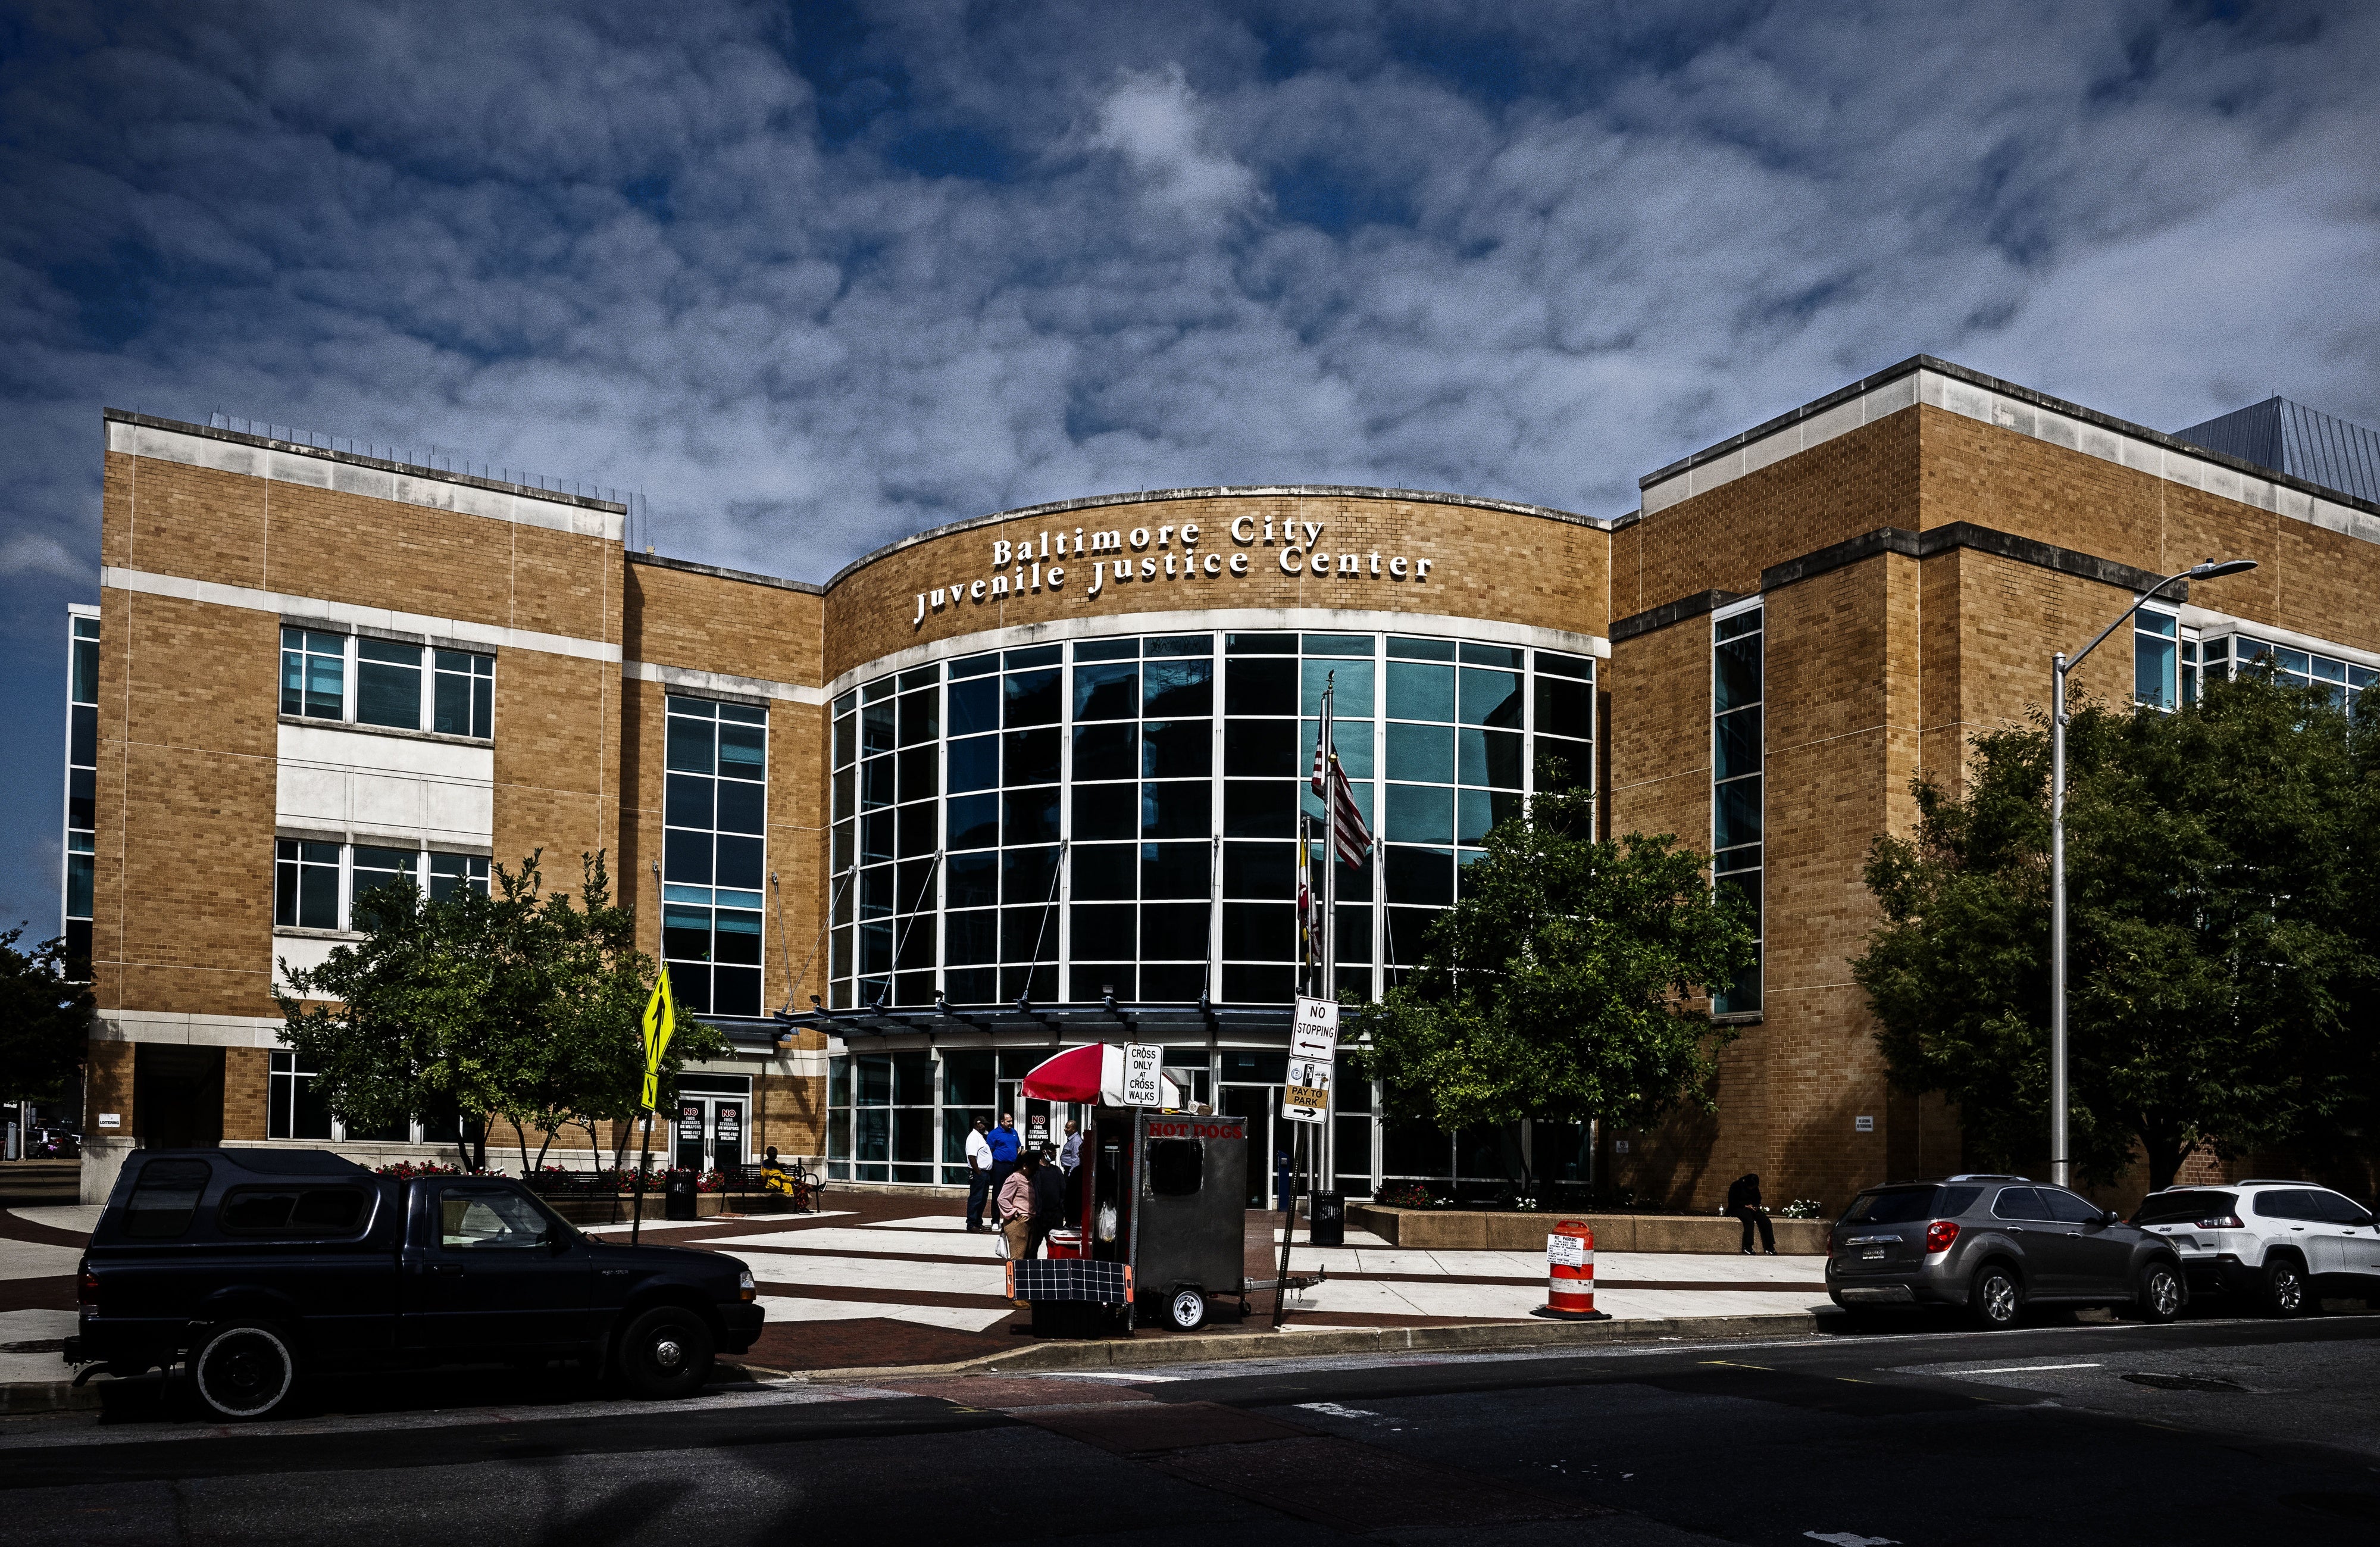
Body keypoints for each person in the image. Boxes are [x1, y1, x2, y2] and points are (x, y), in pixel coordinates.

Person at [997, 1149, 1039, 1264]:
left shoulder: (1028, 1179)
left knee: (1028, 1259)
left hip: (1030, 1222)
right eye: (1032, 1168)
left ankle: (1024, 1281)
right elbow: (1002, 1199)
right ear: (1025, 1166)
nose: (1034, 1171)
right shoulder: (1014, 1178)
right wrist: (1015, 1214)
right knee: (1018, 1259)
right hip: (1018, 1223)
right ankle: (1015, 1281)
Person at [1029, 1146, 1067, 1258]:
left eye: (1055, 1151)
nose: (1054, 1153)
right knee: (1033, 1246)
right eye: (1052, 1151)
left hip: (1054, 1216)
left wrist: (1061, 1210)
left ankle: (1052, 1269)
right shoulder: (1035, 1171)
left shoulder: (1057, 1170)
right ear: (1044, 1152)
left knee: (1054, 1246)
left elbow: (1063, 1191)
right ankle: (1032, 1270)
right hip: (1039, 1216)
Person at [1727, 1173, 1776, 1255]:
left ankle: (1769, 1246)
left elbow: (1758, 1198)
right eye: (1751, 1187)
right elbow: (1732, 1202)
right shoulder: (1736, 1186)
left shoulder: (1755, 1188)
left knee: (1766, 1221)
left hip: (1751, 1208)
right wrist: (1746, 1206)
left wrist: (1757, 1205)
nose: (1752, 1188)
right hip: (1738, 1208)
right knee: (1749, 1221)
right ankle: (1748, 1246)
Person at [987, 1111, 1022, 1208]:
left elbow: (1018, 1148)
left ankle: (1009, 1218)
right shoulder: (994, 1134)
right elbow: (989, 1150)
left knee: (1013, 1191)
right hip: (999, 1166)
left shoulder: (1014, 1132)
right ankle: (995, 1220)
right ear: (1002, 1122)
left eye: (1011, 1121)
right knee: (998, 1191)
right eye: (1009, 1121)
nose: (1011, 1123)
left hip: (1012, 1166)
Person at [964, 1118, 993, 1231]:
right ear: (978, 1124)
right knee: (976, 1199)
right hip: (979, 1173)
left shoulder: (980, 1137)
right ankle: (971, 1224)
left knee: (982, 1199)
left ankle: (978, 1222)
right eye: (983, 1125)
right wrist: (979, 1173)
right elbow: (972, 1157)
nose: (985, 1127)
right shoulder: (973, 1137)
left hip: (984, 1173)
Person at [1058, 1120, 1083, 1227]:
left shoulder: (1076, 1141)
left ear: (1074, 1129)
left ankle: (1072, 1221)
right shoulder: (1072, 1140)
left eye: (1068, 1127)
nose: (1065, 1129)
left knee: (1070, 1197)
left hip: (1071, 1172)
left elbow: (1076, 1159)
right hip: (1069, 1171)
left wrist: (1071, 1175)